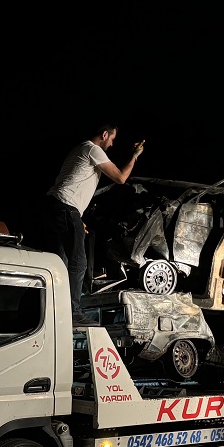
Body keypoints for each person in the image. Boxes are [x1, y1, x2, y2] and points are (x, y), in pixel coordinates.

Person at [41, 123, 144, 327]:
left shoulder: (80, 148)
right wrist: (135, 156)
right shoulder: (93, 149)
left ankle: (53, 310)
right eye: (112, 139)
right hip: (65, 208)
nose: (112, 144)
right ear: (104, 135)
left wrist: (76, 218)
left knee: (61, 263)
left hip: (56, 208)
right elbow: (121, 178)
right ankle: (72, 313)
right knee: (79, 263)